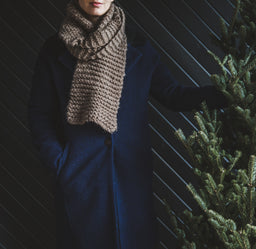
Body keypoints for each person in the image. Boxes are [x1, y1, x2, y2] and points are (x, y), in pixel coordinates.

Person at [27, 0, 229, 248]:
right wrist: (61, 162)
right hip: (80, 180)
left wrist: (232, 94)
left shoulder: (136, 44)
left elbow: (174, 94)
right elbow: (39, 113)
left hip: (131, 180)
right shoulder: (54, 50)